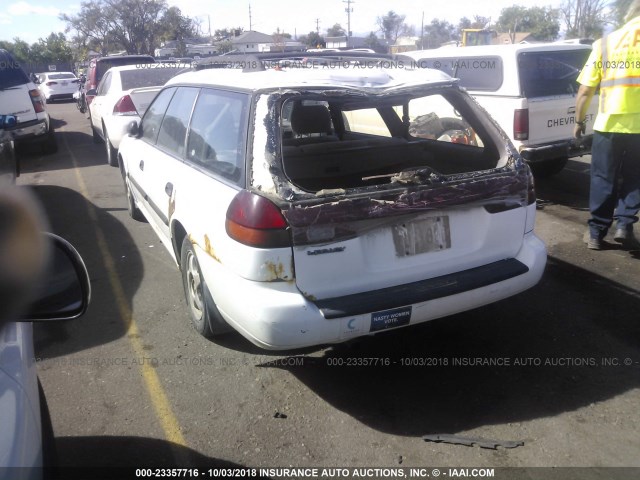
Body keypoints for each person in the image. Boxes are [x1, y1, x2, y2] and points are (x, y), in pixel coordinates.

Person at [574, 0, 640, 250]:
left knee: (604, 177)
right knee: (636, 178)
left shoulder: (607, 43)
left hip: (609, 124)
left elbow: (584, 90)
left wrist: (578, 122)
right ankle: (624, 225)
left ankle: (596, 234)